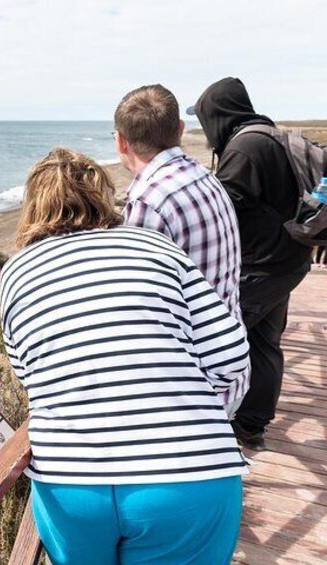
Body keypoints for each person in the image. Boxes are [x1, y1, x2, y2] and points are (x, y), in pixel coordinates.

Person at [0, 148, 249, 565]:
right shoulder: (156, 247)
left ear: (32, 205)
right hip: (188, 476)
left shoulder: (15, 272)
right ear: (103, 196)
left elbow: (28, 372)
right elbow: (231, 357)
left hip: (71, 481)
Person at [188, 77, 311, 450]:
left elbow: (218, 210)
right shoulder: (268, 135)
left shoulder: (244, 149)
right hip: (289, 261)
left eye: (205, 118)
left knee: (218, 340)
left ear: (219, 114)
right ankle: (251, 426)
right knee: (265, 343)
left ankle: (207, 425)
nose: (205, 131)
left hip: (261, 267)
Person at [114, 84, 246, 412]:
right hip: (230, 364)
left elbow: (141, 313)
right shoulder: (204, 175)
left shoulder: (149, 200)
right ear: (180, 129)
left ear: (120, 141)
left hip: (194, 387)